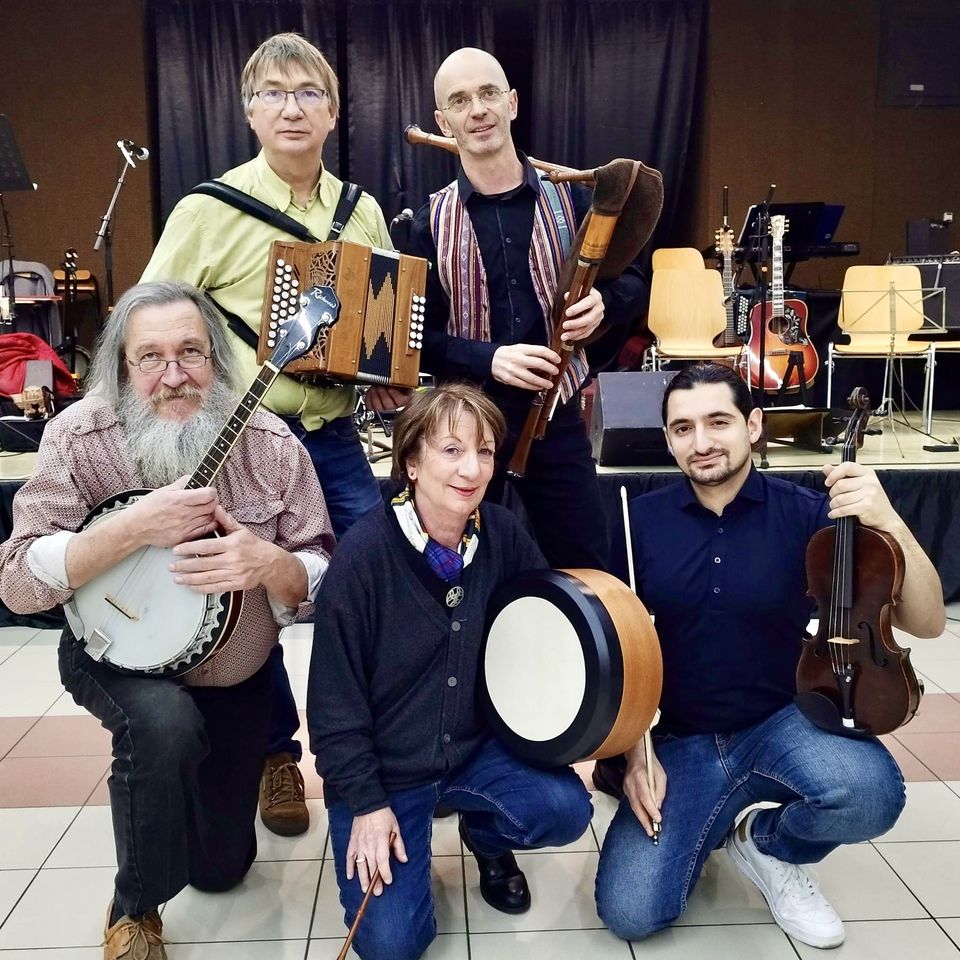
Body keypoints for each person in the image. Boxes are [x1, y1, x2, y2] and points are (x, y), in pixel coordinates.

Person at [0, 281, 335, 960]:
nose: (173, 376)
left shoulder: (271, 444)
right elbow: (15, 584)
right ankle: (134, 909)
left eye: (191, 352)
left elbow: (321, 574)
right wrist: (126, 531)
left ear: (218, 359)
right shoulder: (77, 437)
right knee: (161, 727)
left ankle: (266, 754)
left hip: (234, 673)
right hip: (112, 654)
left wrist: (266, 563)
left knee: (220, 871)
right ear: (121, 366)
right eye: (149, 357)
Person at [594, 362, 945, 949]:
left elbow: (927, 621)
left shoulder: (811, 515)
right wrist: (635, 756)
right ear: (668, 439)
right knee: (630, 913)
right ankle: (705, 821)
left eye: (718, 422)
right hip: (678, 741)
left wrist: (888, 520)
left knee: (873, 793)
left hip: (784, 722)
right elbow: (624, 655)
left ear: (754, 425)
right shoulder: (638, 520)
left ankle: (768, 844)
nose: (701, 443)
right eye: (682, 429)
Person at [141, 33, 393, 836]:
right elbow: (149, 322)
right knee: (252, 604)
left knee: (373, 594)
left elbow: (383, 317)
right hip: (249, 443)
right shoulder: (206, 210)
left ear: (333, 110)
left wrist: (391, 357)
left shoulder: (363, 211)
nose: (293, 107)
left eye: (309, 93)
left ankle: (380, 751)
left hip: (336, 439)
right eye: (275, 93)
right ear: (249, 109)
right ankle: (276, 755)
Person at [307, 383, 593, 960]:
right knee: (392, 945)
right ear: (411, 462)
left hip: (471, 750)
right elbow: (333, 707)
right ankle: (404, 837)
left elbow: (540, 631)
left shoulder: (503, 534)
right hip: (389, 772)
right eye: (451, 450)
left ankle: (484, 834)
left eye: (485, 452)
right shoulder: (363, 558)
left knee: (565, 810)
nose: (472, 469)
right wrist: (366, 803)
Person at [406, 47, 649, 570]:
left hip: (557, 418)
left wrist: (605, 304)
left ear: (512, 103)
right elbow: (412, 336)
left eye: (489, 93)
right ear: (442, 121)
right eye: (460, 100)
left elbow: (634, 280)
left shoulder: (577, 200)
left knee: (586, 567)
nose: (478, 110)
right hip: (464, 428)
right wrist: (487, 359)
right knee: (459, 570)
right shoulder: (426, 222)